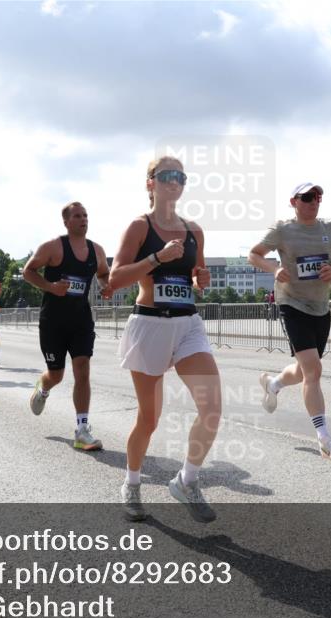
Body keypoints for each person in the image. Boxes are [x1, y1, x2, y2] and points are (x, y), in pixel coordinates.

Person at [108, 156, 219, 523]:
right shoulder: (140, 227)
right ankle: (132, 483)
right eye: (167, 175)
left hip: (187, 324)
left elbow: (196, 277)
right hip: (150, 325)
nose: (175, 181)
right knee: (149, 419)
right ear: (150, 183)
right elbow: (116, 279)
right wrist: (156, 257)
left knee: (212, 409)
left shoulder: (194, 231)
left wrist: (201, 280)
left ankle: (187, 480)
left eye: (181, 176)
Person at [249, 183, 331, 465]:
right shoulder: (282, 229)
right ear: (293, 201)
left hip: (320, 307)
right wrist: (274, 269)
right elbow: (254, 254)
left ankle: (273, 384)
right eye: (307, 197)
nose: (314, 202)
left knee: (304, 369)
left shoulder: (330, 227)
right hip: (292, 304)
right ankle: (325, 439)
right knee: (314, 370)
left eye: (318, 197)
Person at [22, 202, 113, 452]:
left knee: (82, 369)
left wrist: (106, 285)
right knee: (57, 375)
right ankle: (43, 388)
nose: (83, 219)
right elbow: (28, 271)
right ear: (66, 222)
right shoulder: (53, 247)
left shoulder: (97, 250)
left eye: (86, 215)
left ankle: (82, 430)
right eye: (77, 216)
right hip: (53, 321)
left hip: (81, 320)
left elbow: (105, 273)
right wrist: (51, 287)